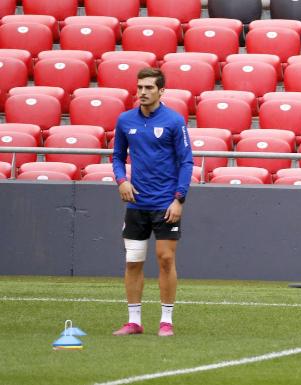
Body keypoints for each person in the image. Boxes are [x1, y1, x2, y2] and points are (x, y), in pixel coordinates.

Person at [111, 67, 193, 337]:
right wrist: (122, 180)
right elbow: (117, 156)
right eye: (140, 88)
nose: (143, 93)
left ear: (161, 91)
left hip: (165, 204)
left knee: (165, 259)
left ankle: (166, 321)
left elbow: (186, 161)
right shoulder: (125, 121)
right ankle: (134, 321)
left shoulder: (174, 121)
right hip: (136, 205)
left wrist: (179, 199)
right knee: (133, 260)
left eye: (149, 88)